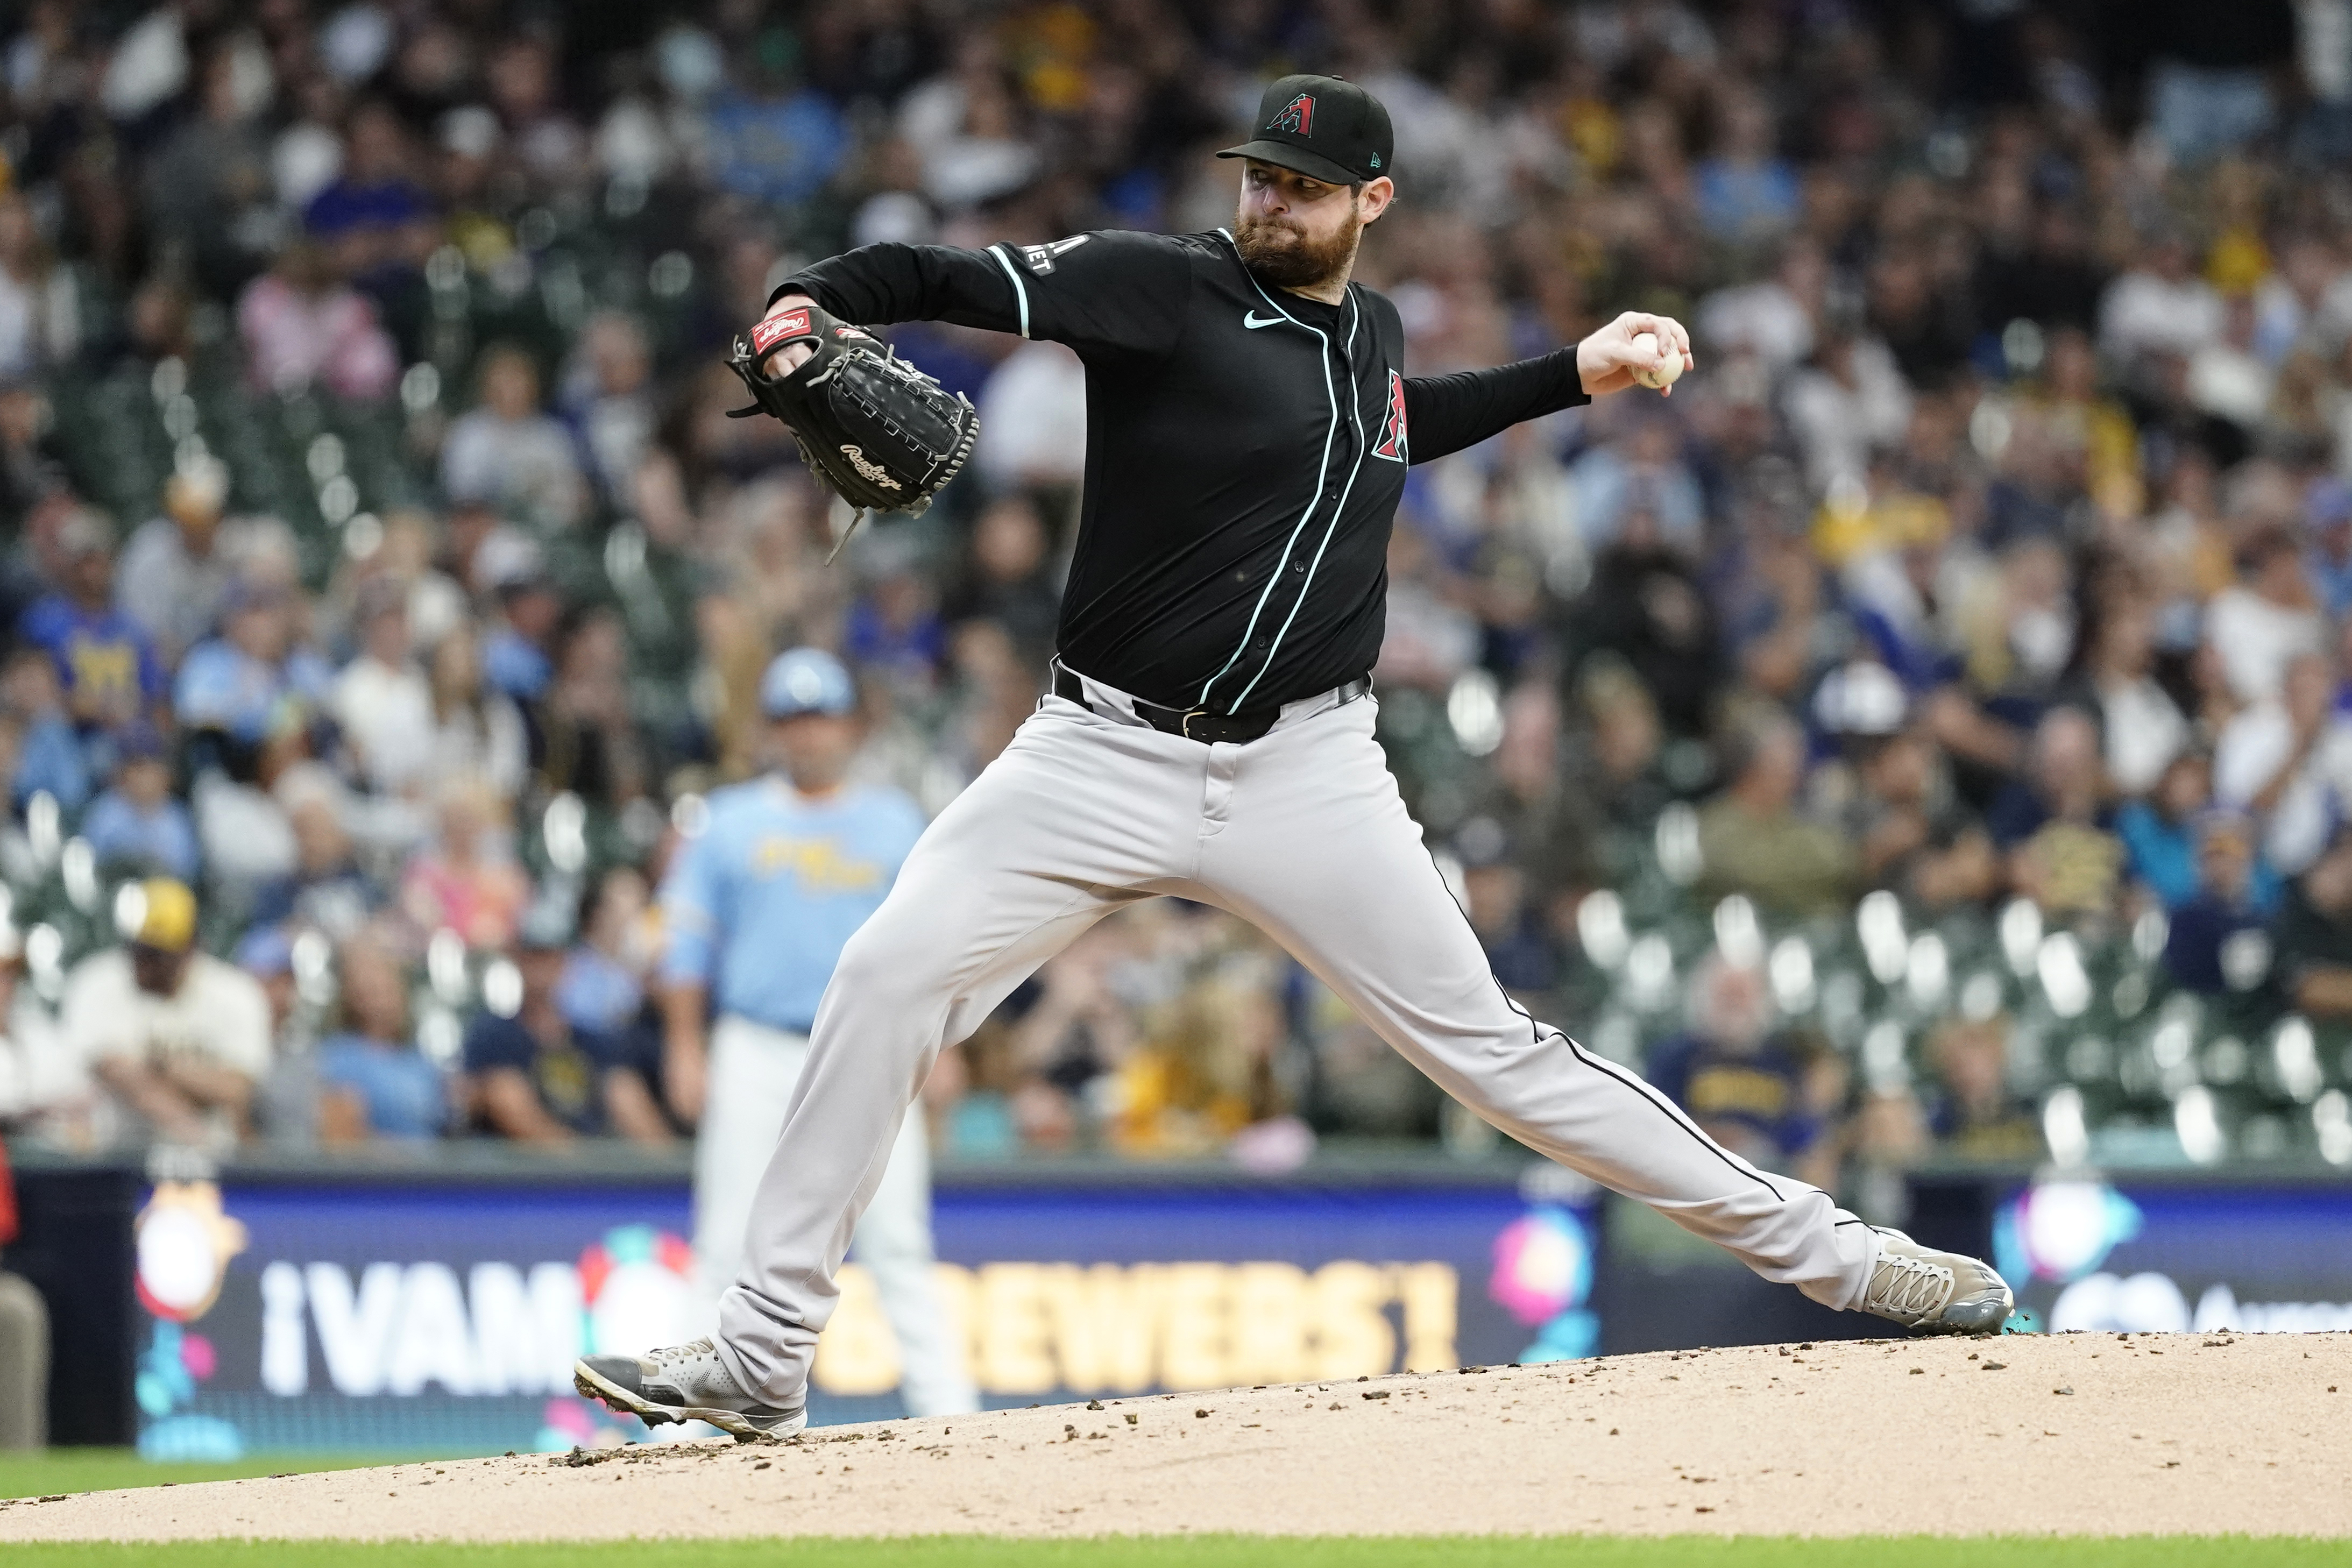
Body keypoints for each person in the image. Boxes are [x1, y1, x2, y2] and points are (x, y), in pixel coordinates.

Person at [578, 76, 2009, 1442]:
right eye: (1261, 175)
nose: (1272, 201)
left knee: (1504, 1055)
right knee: (886, 972)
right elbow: (948, 274)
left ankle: (1843, 1261)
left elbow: (1399, 425)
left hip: (1309, 774)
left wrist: (1574, 373)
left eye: (1306, 188)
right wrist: (804, 298)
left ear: (1369, 200)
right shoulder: (1162, 287)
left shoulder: (1367, 334)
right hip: (1095, 751)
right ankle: (765, 1349)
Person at [653, 648, 979, 1420]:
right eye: (794, 719)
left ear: (850, 726)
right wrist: (683, 1044)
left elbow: (940, 942)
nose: (809, 734)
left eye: (821, 716)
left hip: (874, 1049)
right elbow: (684, 944)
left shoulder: (894, 819)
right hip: (757, 1044)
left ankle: (955, 1419)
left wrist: (949, 1049)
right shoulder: (729, 821)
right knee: (724, 1241)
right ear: (771, 729)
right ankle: (678, 1431)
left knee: (898, 1243)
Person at [64, 878, 273, 1149]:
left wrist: (159, 1066)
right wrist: (189, 1125)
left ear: (191, 948)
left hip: (215, 1167)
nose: (143, 964)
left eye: (156, 954)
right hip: (117, 1160)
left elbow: (236, 1091)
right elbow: (118, 1073)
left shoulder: (235, 993)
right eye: (137, 950)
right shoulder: (97, 981)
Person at [461, 900, 670, 1146]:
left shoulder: (595, 1040)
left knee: (625, 1093)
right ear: (517, 959)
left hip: (590, 1165)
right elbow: (505, 1103)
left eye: (551, 956)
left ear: (566, 962)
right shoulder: (493, 1033)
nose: (541, 968)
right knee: (503, 1090)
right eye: (533, 956)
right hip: (518, 1175)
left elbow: (629, 1103)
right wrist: (582, 1166)